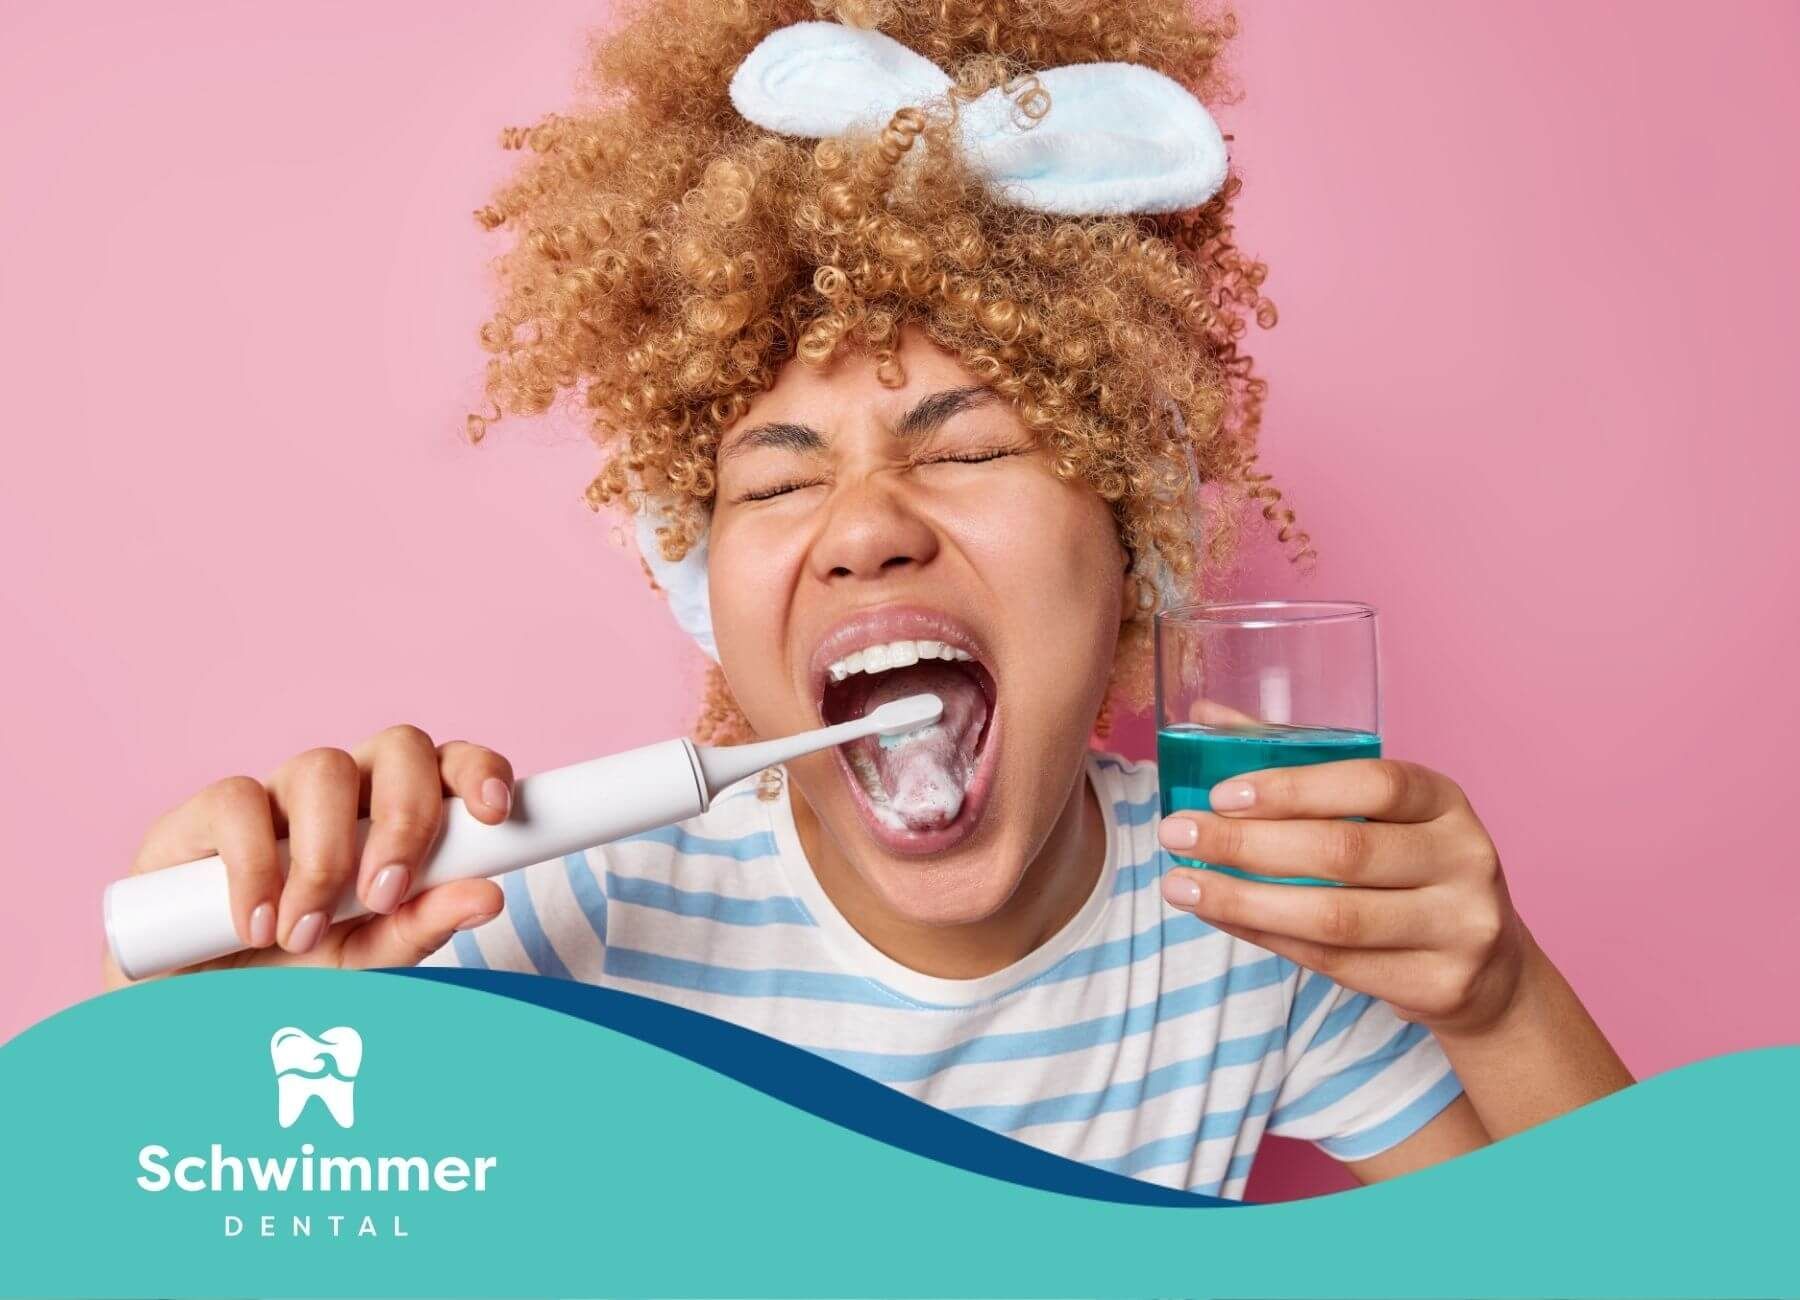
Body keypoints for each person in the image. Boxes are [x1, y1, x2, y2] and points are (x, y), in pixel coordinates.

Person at [101, 0, 1631, 1198]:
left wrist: (1500, 999)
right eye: (775, 484)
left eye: (966, 445)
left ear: (1135, 539)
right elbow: (204, 1221)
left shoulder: (1244, 920)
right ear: (701, 584)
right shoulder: (538, 916)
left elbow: (1649, 1266)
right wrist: (198, 1070)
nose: (864, 530)